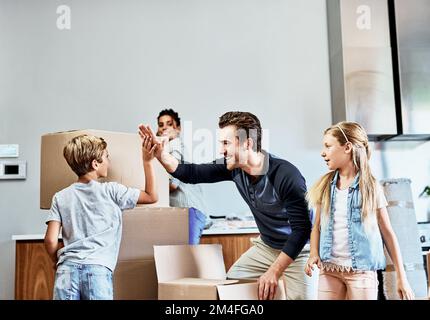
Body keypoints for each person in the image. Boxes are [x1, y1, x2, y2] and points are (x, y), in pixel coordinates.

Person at [139, 111, 318, 300]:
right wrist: (160, 155)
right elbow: (191, 173)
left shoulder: (286, 175)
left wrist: (274, 271)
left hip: (299, 251)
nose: (221, 150)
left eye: (226, 143)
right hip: (267, 246)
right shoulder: (234, 168)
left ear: (247, 143)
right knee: (231, 287)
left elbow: (302, 230)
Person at [304, 121, 414, 300]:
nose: (322, 153)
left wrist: (402, 277)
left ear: (347, 147)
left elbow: (387, 232)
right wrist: (313, 254)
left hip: (361, 272)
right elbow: (316, 227)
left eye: (328, 146)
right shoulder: (324, 186)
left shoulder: (371, 188)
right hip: (329, 269)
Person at [44, 133, 158, 300]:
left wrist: (57, 261)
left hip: (66, 270)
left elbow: (50, 240)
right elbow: (151, 196)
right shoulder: (111, 191)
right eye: (107, 157)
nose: (109, 162)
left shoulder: (60, 197)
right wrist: (147, 161)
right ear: (95, 164)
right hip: (97, 270)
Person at [156, 108, 209, 244]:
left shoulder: (175, 146)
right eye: (161, 125)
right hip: (187, 212)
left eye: (169, 124)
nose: (164, 128)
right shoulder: (167, 149)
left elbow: (172, 184)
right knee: (182, 257)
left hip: (188, 212)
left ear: (178, 128)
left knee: (185, 256)